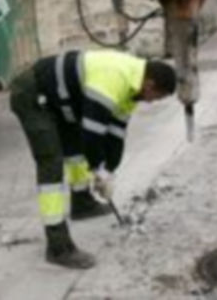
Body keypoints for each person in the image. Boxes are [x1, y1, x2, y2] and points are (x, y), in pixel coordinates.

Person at [10, 49, 176, 269]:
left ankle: (82, 203)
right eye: (158, 97)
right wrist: (98, 170)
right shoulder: (115, 78)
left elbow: (116, 133)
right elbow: (93, 133)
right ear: (150, 85)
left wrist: (109, 171)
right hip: (33, 96)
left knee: (76, 152)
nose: (153, 102)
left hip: (61, 103)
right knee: (51, 164)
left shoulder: (132, 88)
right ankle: (58, 246)